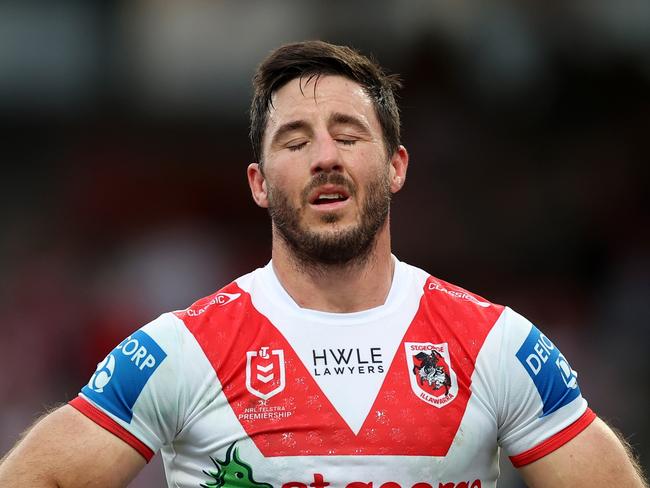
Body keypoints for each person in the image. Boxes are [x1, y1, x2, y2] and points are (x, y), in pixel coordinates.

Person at [0, 40, 646, 488]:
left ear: (396, 167)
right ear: (258, 182)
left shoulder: (495, 344)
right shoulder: (185, 348)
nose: (325, 157)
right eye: (296, 139)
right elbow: (41, 475)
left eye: (349, 133)